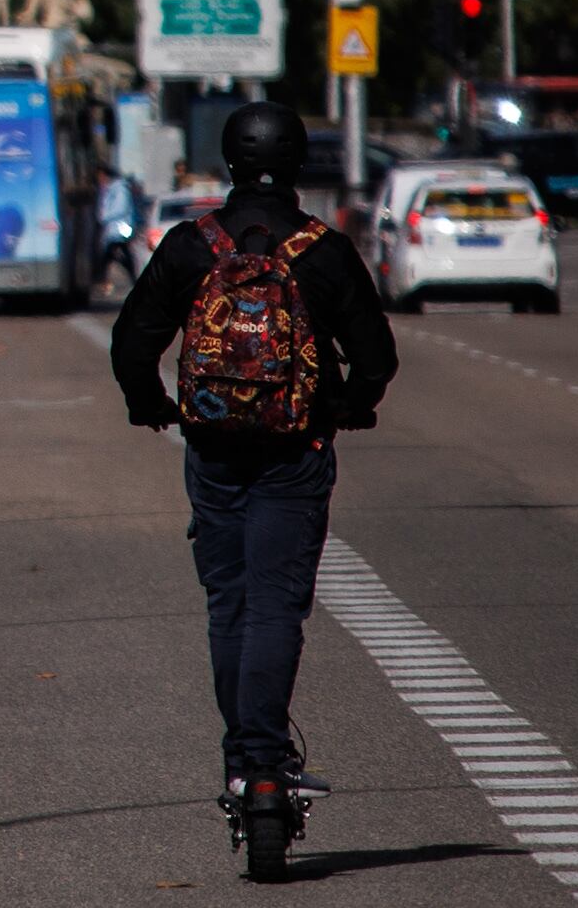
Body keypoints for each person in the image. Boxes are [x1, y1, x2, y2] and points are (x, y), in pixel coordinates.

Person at [111, 100, 399, 882]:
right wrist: (347, 406)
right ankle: (268, 768)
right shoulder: (324, 251)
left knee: (229, 606)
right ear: (300, 158)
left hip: (211, 452)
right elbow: (377, 357)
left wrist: (154, 407)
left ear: (229, 161)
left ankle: (245, 766)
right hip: (294, 454)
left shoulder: (190, 245)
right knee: (277, 605)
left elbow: (131, 343)